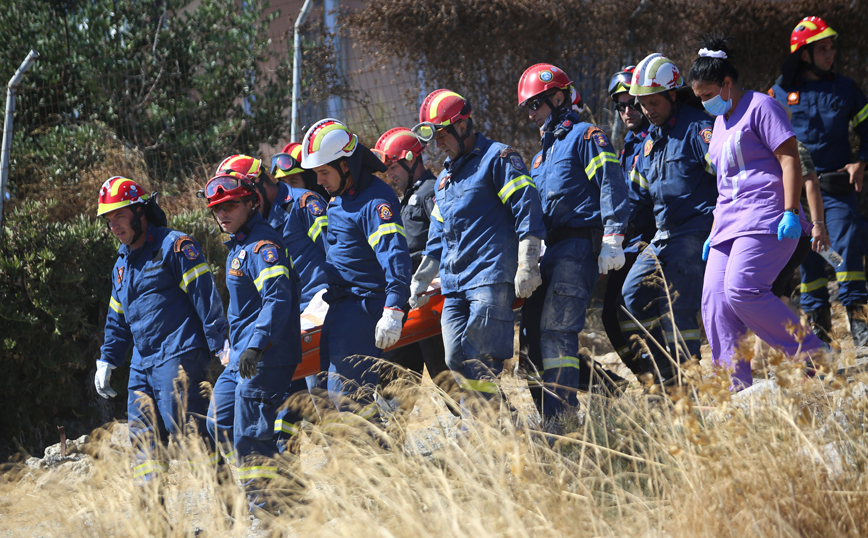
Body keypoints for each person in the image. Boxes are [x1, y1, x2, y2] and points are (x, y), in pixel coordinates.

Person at [689, 36, 825, 389]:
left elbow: (789, 159)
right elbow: (724, 183)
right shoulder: (719, 125)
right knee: (715, 302)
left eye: (706, 95)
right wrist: (713, 231)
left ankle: (812, 355)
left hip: (765, 216)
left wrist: (791, 211)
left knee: (743, 288)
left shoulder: (762, 106)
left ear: (727, 84)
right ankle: (735, 388)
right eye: (699, 98)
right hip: (727, 226)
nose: (704, 104)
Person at [408, 89, 546, 410]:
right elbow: (436, 240)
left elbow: (527, 208)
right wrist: (420, 280)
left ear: (463, 126)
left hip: (490, 277)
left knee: (480, 357)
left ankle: (483, 432)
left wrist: (527, 263)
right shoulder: (444, 179)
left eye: (443, 135)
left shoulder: (498, 159)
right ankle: (500, 418)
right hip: (454, 286)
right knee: (455, 358)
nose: (439, 144)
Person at [95, 176, 227, 489]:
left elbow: (205, 295)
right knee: (143, 438)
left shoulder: (175, 245)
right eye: (108, 220)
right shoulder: (121, 265)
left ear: (140, 214)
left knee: (186, 429)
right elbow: (118, 318)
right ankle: (156, 524)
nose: (114, 226)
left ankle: (228, 500)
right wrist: (108, 360)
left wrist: (220, 342)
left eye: (120, 217)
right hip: (142, 362)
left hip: (178, 351)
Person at [515, 63, 630, 417]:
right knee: (530, 341)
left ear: (559, 96)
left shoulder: (586, 137)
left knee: (556, 331)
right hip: (550, 251)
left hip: (579, 246)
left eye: (537, 104)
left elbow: (611, 184)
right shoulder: (540, 157)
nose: (532, 114)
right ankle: (582, 403)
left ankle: (562, 421)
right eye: (528, 108)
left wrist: (613, 235)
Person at [202, 170, 302, 512]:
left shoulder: (262, 245)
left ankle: (271, 505)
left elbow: (277, 298)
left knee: (250, 432)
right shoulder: (238, 246)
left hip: (265, 353)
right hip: (242, 354)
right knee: (218, 419)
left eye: (229, 205)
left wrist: (257, 345)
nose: (222, 213)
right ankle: (287, 486)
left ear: (250, 203)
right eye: (216, 209)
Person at [300, 118, 412, 417]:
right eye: (315, 174)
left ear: (346, 165)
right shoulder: (340, 198)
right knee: (328, 397)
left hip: (363, 308)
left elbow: (395, 256)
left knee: (348, 401)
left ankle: (378, 461)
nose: (319, 181)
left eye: (324, 172)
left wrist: (394, 308)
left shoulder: (375, 201)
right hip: (339, 307)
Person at [769, 16, 868, 348]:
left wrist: (861, 161)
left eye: (832, 47)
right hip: (795, 196)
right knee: (809, 265)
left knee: (846, 256)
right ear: (804, 55)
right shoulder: (779, 93)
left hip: (838, 190)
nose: (831, 54)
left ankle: (862, 336)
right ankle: (821, 342)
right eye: (822, 49)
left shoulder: (847, 89)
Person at [215, 154, 329, 441]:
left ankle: (350, 463)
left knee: (322, 395)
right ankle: (286, 477)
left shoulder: (304, 204)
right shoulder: (252, 226)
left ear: (256, 188)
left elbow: (335, 251)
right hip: (283, 319)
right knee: (281, 409)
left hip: (317, 307)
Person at [621, 54, 718, 385]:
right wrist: (613, 234)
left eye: (654, 102)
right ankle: (667, 373)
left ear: (672, 95)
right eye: (642, 103)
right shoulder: (650, 142)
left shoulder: (698, 128)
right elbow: (635, 199)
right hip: (662, 236)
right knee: (632, 297)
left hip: (695, 232)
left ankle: (687, 383)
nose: (647, 110)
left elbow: (728, 176)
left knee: (678, 309)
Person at [372, 127, 450, 402]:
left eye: (393, 166)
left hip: (431, 300)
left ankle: (494, 429)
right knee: (393, 378)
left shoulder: (430, 192)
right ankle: (387, 443)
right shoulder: (406, 199)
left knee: (446, 376)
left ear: (410, 159)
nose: (390, 175)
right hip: (409, 300)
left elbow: (444, 236)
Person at [601, 65, 656, 376]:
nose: (626, 111)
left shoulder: (656, 138)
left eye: (632, 103)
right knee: (610, 315)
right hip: (628, 241)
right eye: (619, 105)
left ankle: (664, 379)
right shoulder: (627, 147)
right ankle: (644, 376)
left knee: (636, 310)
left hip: (652, 237)